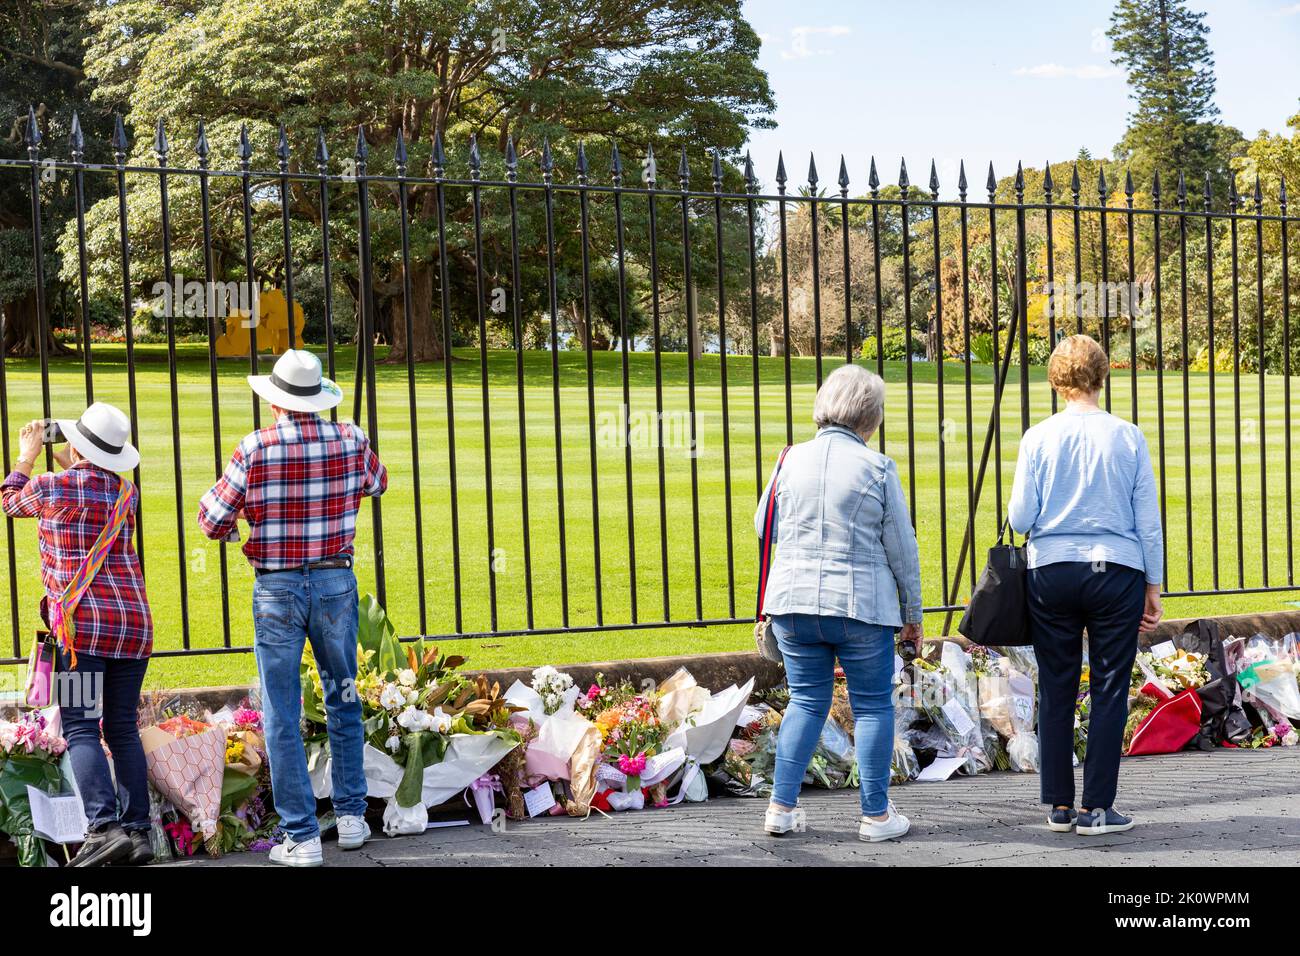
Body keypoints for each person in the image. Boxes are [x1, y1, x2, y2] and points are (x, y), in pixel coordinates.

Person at [198, 349, 387, 867]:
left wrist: (243, 524)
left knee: (281, 711)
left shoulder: (256, 447)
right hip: (334, 581)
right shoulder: (350, 438)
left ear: (275, 402)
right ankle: (351, 816)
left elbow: (213, 520)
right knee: (343, 694)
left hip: (277, 587)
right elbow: (377, 483)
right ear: (318, 397)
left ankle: (301, 834)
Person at [755, 363, 922, 842]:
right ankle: (875, 815)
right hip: (859, 607)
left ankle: (781, 808)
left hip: (791, 602)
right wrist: (912, 616)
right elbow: (902, 550)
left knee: (806, 701)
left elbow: (763, 526)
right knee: (871, 706)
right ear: (871, 418)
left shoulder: (788, 460)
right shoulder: (878, 468)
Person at [1009, 334, 1164, 836]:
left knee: (1055, 685)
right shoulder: (1128, 436)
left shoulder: (1037, 437)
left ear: (1056, 380)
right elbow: (1148, 522)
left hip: (1053, 569)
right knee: (1110, 687)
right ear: (1102, 376)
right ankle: (1097, 808)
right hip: (1114, 569)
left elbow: (1020, 517)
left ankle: (1057, 804)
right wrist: (1154, 585)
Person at [2, 403, 153, 867]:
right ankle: (139, 832)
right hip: (133, 630)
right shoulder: (125, 494)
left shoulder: (50, 486)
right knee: (123, 728)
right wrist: (82, 459)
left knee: (81, 725)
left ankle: (102, 828)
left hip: (80, 633)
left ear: (74, 445)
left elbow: (10, 501)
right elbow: (93, 488)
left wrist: (26, 457)